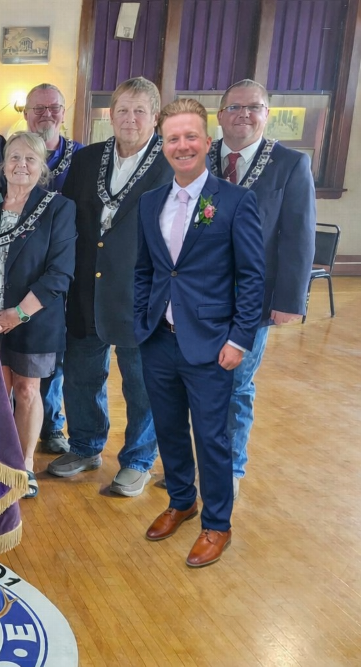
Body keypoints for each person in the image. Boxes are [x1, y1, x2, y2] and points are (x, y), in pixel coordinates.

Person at [135, 98, 264, 567]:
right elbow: (146, 270)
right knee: (168, 429)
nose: (182, 145)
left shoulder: (233, 202)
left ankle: (217, 525)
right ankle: (182, 502)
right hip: (159, 340)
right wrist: (140, 323)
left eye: (191, 136)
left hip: (212, 344)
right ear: (162, 145)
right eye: (173, 138)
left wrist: (239, 339)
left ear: (207, 142)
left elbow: (252, 277)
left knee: (212, 437)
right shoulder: (151, 203)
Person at [49, 77, 174, 497]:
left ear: (155, 117)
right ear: (111, 113)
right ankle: (85, 446)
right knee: (82, 378)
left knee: (142, 384)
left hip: (144, 297)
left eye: (140, 111)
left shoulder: (173, 164)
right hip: (86, 291)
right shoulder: (86, 161)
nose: (130, 118)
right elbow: (67, 224)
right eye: (122, 110)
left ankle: (138, 459)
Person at [211, 80, 316, 499]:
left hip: (251, 301)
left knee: (236, 385)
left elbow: (298, 235)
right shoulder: (199, 158)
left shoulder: (290, 164)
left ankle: (230, 466)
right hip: (194, 299)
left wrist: (290, 300)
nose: (244, 115)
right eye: (235, 107)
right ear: (220, 115)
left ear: (267, 114)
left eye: (254, 107)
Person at [0, 132, 77, 498]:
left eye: (30, 159)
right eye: (14, 157)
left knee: (28, 390)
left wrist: (16, 315)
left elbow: (59, 274)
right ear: (3, 164)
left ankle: (24, 466)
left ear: (42, 167)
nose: (21, 165)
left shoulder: (59, 208)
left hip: (34, 319)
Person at [23, 83, 86, 456]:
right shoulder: (13, 153)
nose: (46, 114)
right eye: (38, 108)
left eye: (54, 108)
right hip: (21, 272)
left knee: (56, 354)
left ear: (65, 112)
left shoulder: (84, 156)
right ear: (25, 113)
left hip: (68, 271)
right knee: (22, 356)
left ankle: (53, 424)